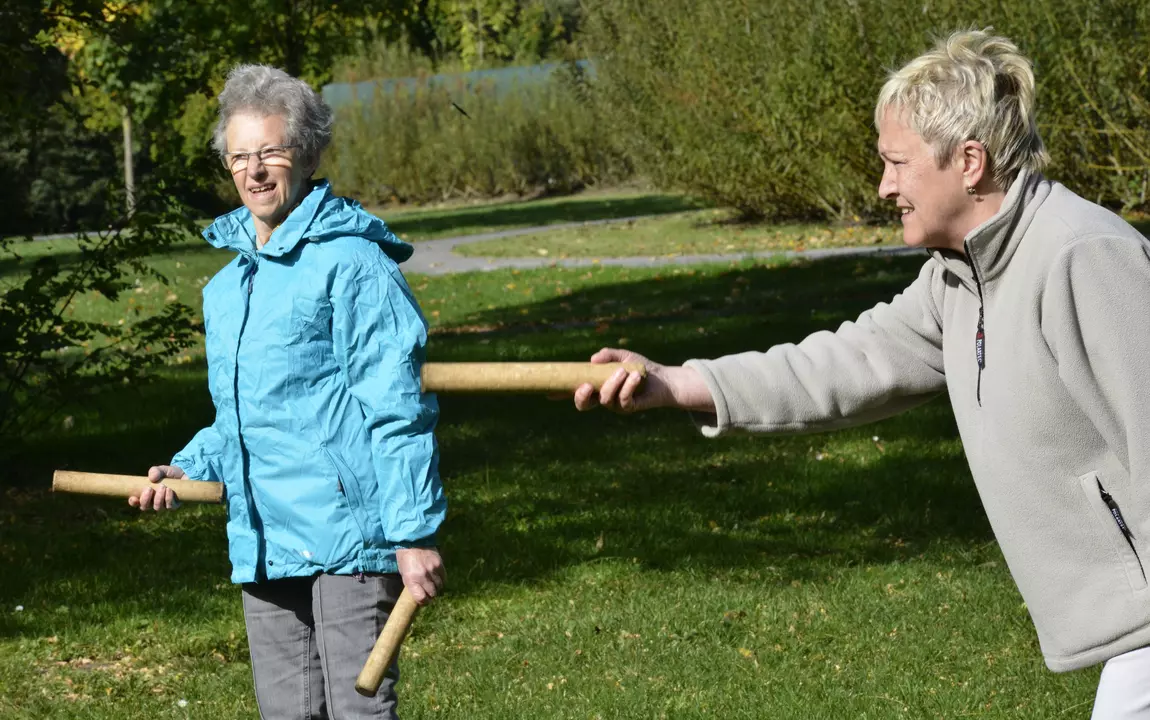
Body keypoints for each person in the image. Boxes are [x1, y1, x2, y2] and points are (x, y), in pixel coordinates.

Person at [575, 30, 1150, 719]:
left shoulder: (1082, 256)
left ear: (969, 162)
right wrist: (674, 383)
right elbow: (845, 364)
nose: (884, 187)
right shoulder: (958, 277)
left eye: (896, 163)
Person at [128, 64, 445, 719]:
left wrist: (411, 533)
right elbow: (243, 416)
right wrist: (187, 467)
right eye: (240, 156)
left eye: (271, 151)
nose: (256, 170)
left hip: (348, 537)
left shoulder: (354, 264)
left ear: (307, 155)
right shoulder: (227, 288)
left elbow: (398, 408)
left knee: (357, 711)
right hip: (265, 537)